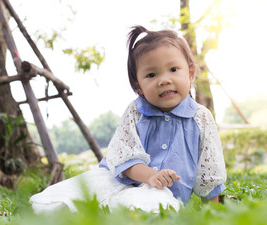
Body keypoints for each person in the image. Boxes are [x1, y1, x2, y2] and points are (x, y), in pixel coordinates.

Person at [30, 25, 227, 214]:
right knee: (73, 194)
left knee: (154, 205)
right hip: (117, 179)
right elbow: (123, 157)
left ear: (190, 73)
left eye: (173, 69)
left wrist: (215, 213)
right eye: (151, 74)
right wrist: (150, 175)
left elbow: (209, 173)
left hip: (162, 192)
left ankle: (113, 214)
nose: (164, 80)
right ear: (138, 86)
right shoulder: (136, 112)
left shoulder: (200, 118)